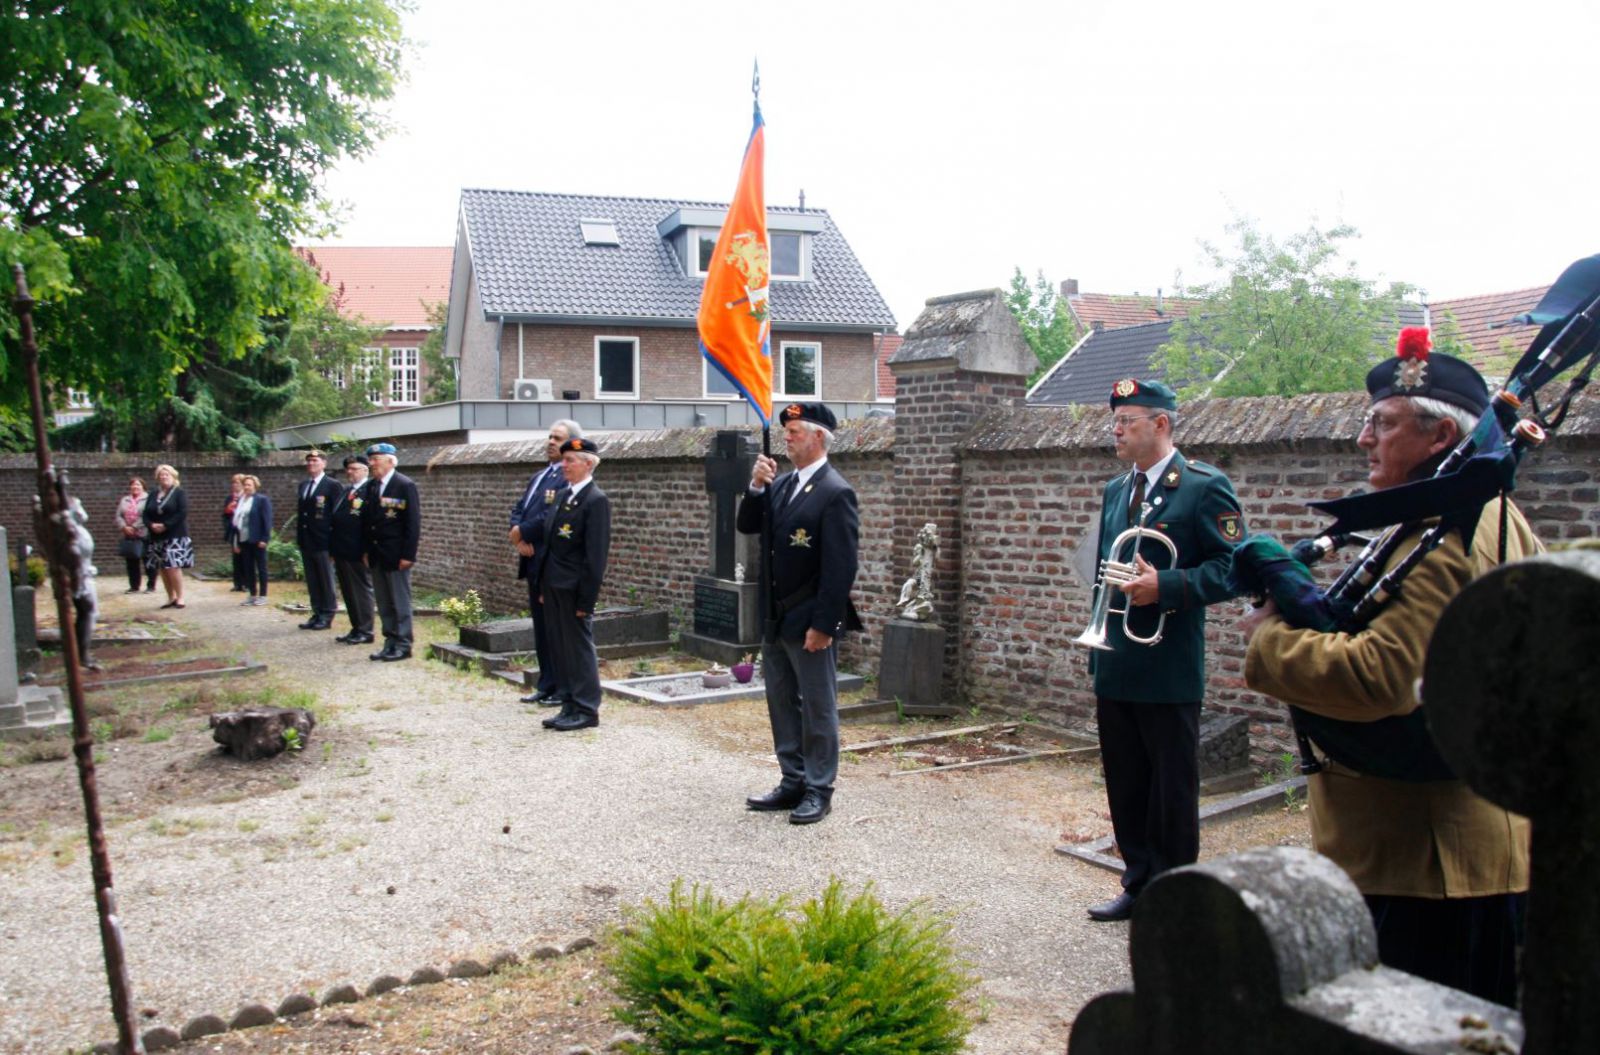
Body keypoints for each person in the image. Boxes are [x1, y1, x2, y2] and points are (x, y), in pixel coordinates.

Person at [1240, 333, 1538, 1006]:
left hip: (1431, 866)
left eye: (1382, 422)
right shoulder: (1453, 515)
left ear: (1438, 437)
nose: (1363, 439)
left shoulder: (1449, 533)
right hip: (1433, 854)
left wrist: (1269, 641)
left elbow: (1385, 675)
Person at [1084, 379, 1244, 922]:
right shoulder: (1114, 490)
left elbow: (1231, 569)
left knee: (1171, 789)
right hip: (1117, 660)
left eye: (1128, 419)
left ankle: (1174, 894)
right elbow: (1106, 575)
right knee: (1125, 782)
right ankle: (1137, 882)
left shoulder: (1202, 487)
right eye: (1116, 420)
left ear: (1161, 424)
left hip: (1167, 665)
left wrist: (1167, 586)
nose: (1117, 429)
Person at [736, 402, 862, 825]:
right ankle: (792, 779)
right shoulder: (782, 484)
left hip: (809, 620)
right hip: (776, 616)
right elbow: (748, 526)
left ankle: (819, 787)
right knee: (781, 702)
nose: (786, 437)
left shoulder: (835, 491)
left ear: (819, 438)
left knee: (818, 705)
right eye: (786, 431)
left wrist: (824, 624)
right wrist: (755, 486)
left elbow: (840, 567)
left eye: (795, 431)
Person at [532, 436, 611, 732]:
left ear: (588, 464)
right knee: (560, 648)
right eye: (563, 459)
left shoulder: (595, 500)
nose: (563, 465)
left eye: (570, 460)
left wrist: (585, 601)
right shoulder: (563, 496)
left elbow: (595, 557)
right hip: (553, 585)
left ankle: (587, 708)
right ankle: (568, 703)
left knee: (578, 649)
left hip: (573, 588)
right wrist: (541, 586)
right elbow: (550, 545)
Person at [510, 419, 580, 705]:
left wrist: (523, 531)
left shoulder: (567, 476)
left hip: (550, 558)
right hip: (531, 557)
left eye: (558, 438)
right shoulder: (539, 476)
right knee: (540, 627)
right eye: (550, 436)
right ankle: (546, 682)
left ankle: (563, 687)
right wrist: (517, 533)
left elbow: (551, 516)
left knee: (556, 628)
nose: (551, 442)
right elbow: (520, 508)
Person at [361, 442, 421, 661]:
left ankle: (404, 645)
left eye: (375, 459)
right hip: (377, 554)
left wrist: (408, 555)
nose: (371, 463)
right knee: (384, 602)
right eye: (370, 459)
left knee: (400, 602)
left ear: (390, 460)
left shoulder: (404, 485)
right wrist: (366, 550)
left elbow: (412, 524)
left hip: (396, 555)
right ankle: (390, 642)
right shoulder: (371, 487)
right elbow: (367, 522)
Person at [295, 449, 343, 631]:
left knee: (325, 579)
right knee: (313, 580)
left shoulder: (332, 485)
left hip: (324, 541)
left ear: (324, 463)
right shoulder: (304, 485)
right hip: (307, 540)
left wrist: (334, 543)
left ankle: (327, 614)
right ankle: (316, 612)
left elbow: (336, 515)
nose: (311, 464)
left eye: (315, 460)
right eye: (309, 461)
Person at [330, 454, 375, 645]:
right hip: (342, 549)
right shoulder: (346, 490)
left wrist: (366, 550)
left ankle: (366, 630)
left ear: (365, 470)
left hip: (357, 551)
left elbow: (369, 523)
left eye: (354, 468)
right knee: (348, 591)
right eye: (348, 469)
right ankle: (356, 627)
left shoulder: (370, 490)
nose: (350, 472)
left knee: (360, 590)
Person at [143, 463, 191, 609]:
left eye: (166, 474)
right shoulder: (153, 494)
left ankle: (180, 597)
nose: (163, 477)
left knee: (173, 567)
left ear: (173, 476)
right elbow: (145, 513)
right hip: (157, 537)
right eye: (161, 475)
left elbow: (182, 512)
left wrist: (166, 525)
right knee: (162, 567)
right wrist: (151, 525)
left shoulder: (178, 493)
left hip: (174, 535)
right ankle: (171, 597)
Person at [64, 496, 99, 670]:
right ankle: (82, 655)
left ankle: (83, 653)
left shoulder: (76, 529)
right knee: (88, 612)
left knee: (89, 613)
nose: (81, 511)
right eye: (78, 508)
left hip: (85, 573)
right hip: (80, 576)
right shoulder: (70, 530)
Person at [231, 475, 273, 606]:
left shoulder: (261, 500)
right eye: (245, 485)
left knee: (261, 568)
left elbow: (267, 520)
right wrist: (236, 541)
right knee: (248, 568)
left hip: (257, 539)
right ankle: (252, 594)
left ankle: (263, 595)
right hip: (244, 539)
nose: (247, 487)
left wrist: (264, 538)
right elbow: (236, 523)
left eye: (249, 485)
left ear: (255, 486)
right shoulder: (241, 501)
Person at [114, 476, 155, 593]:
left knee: (148, 560)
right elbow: (118, 515)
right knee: (131, 562)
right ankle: (134, 586)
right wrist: (124, 527)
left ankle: (151, 585)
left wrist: (134, 526)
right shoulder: (125, 500)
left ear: (143, 487)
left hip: (144, 534)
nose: (135, 487)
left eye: (138, 485)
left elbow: (147, 515)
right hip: (129, 535)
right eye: (133, 485)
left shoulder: (148, 499)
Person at [223, 473, 247, 593]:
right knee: (236, 558)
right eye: (233, 483)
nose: (234, 485)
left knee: (245, 557)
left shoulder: (246, 498)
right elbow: (225, 516)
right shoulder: (229, 498)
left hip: (244, 531)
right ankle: (237, 583)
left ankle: (246, 583)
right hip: (233, 532)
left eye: (237, 483)